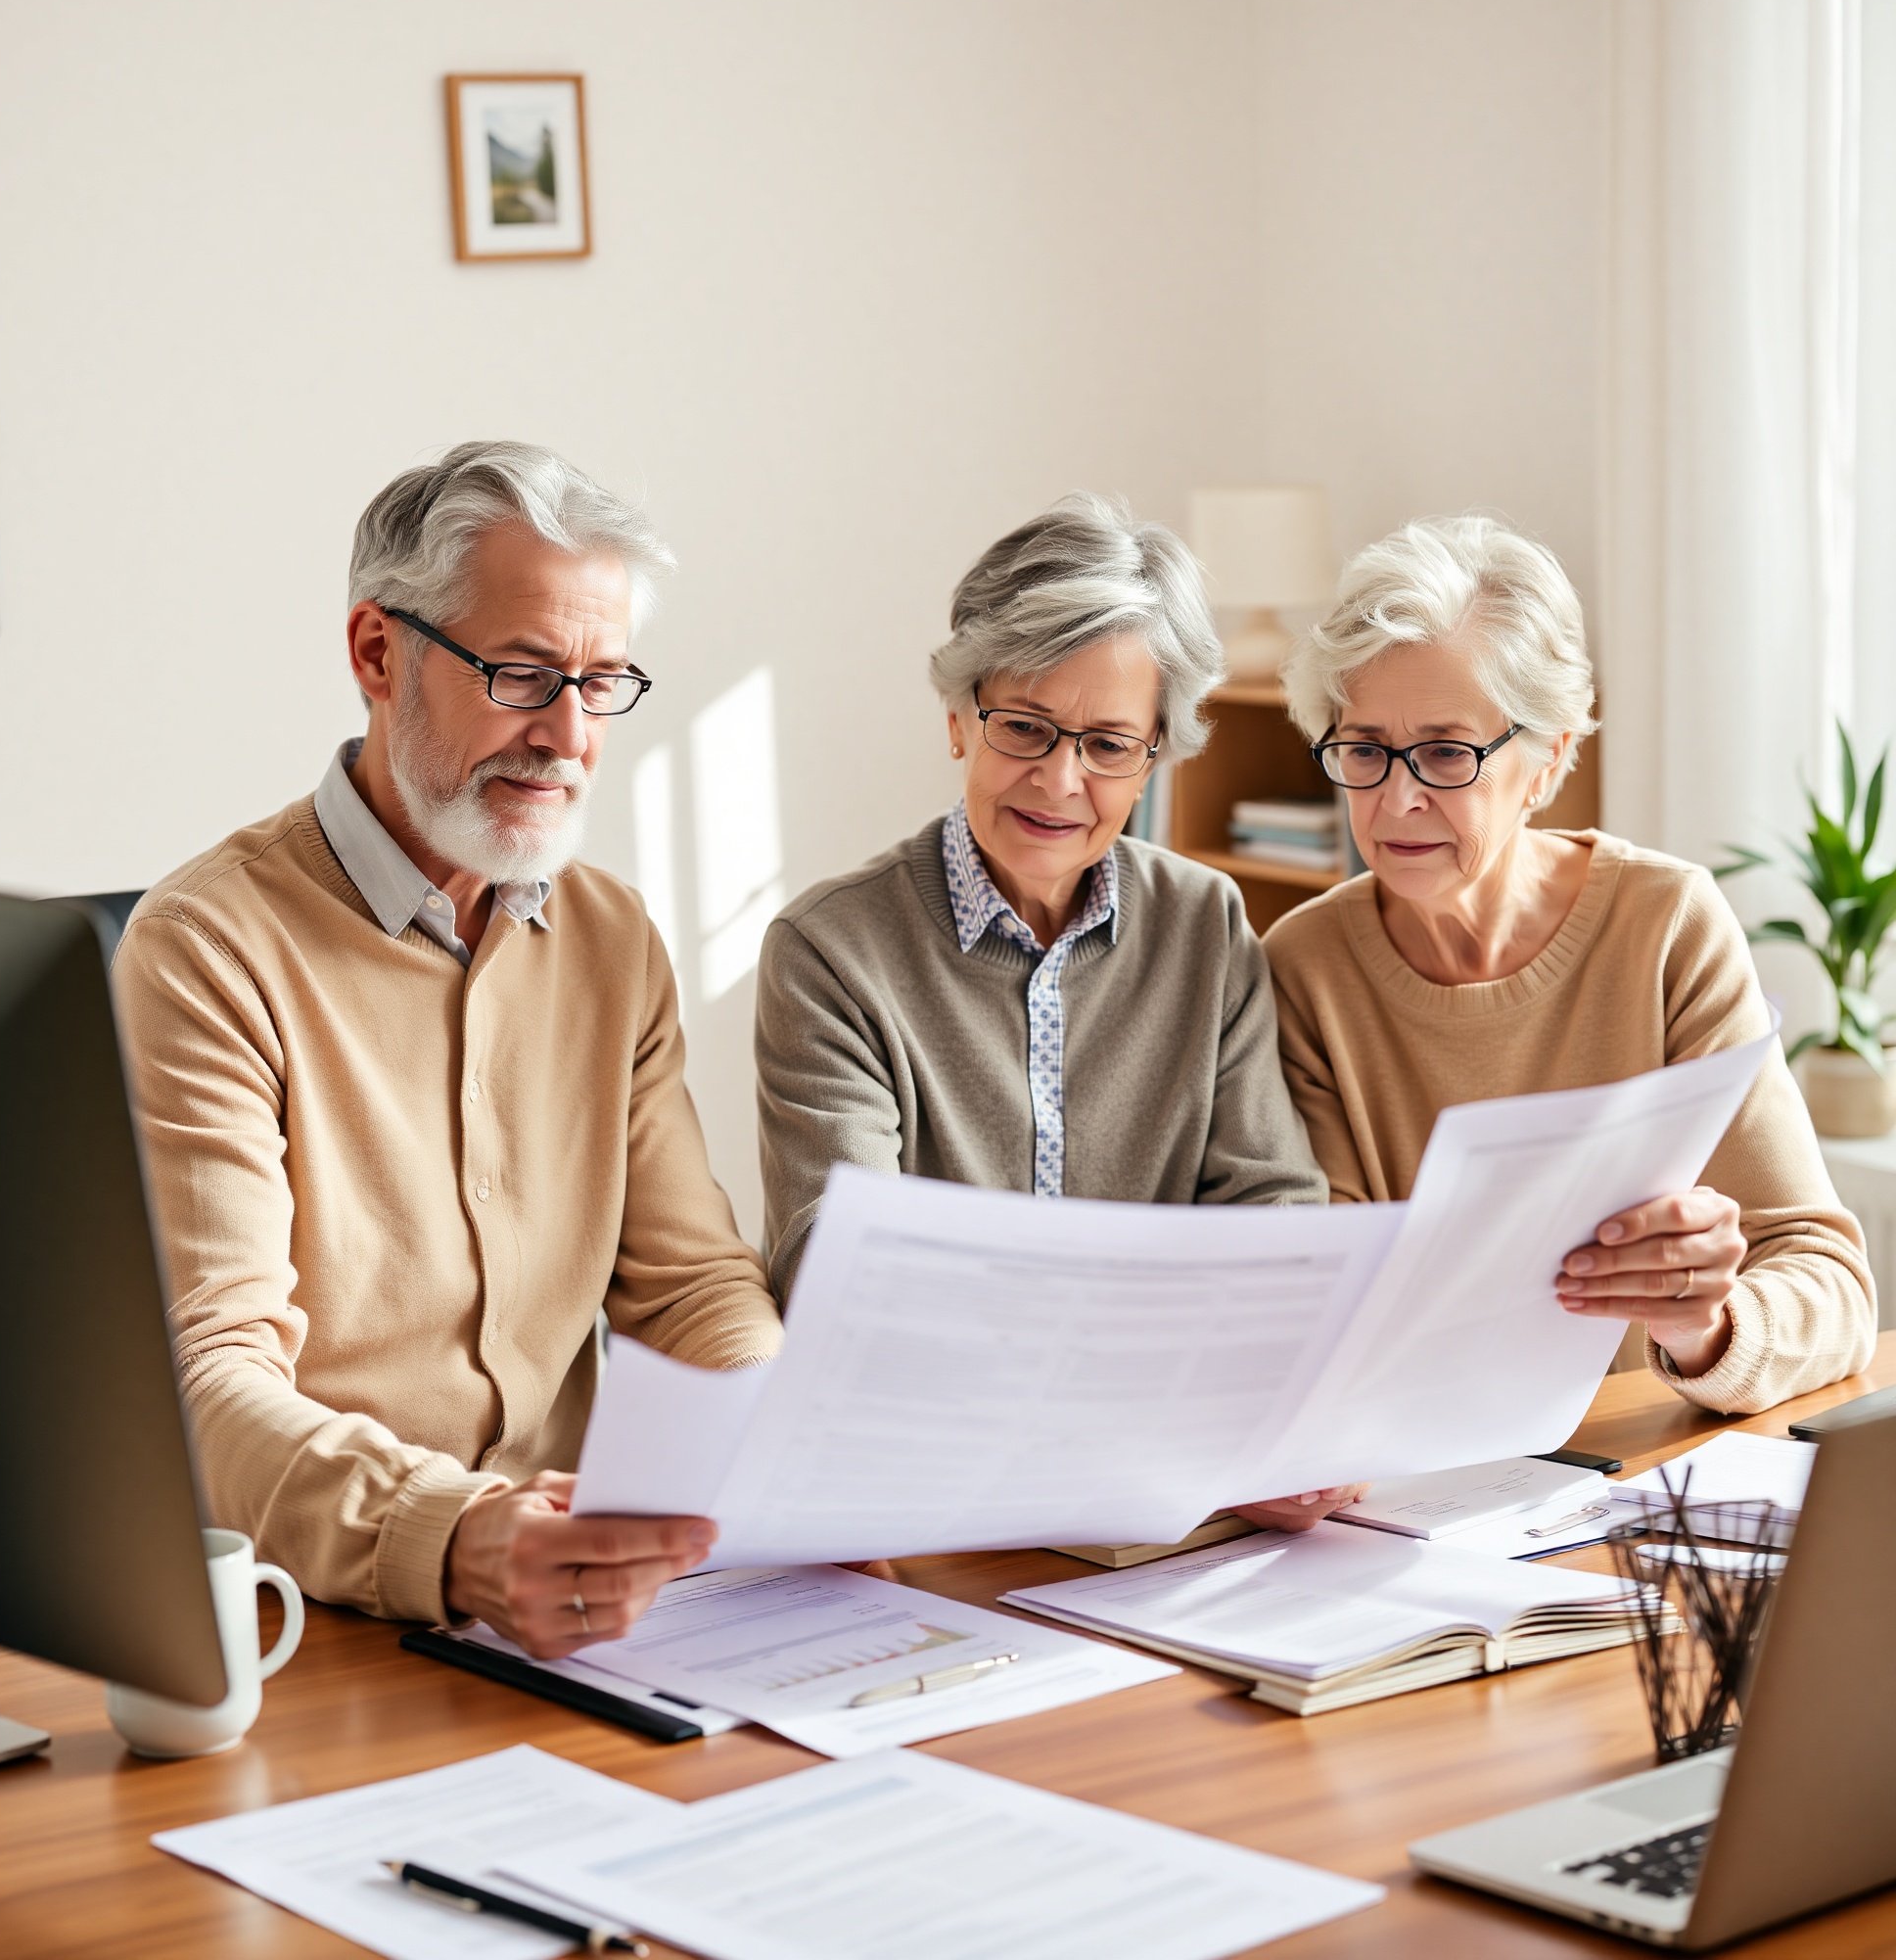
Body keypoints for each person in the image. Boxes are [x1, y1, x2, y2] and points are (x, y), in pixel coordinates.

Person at [112, 443, 782, 1657]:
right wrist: (453, 1530)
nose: (569, 736)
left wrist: (794, 1445)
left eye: (603, 680)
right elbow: (209, 1381)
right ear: (378, 653)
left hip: (587, 1605)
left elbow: (691, 1288)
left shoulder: (611, 937)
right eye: (523, 675)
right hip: (306, 1619)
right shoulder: (204, 945)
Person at [757, 492, 1351, 1533]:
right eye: (1024, 727)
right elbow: (840, 1265)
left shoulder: (1205, 923)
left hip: (1162, 1485)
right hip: (916, 1491)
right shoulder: (829, 951)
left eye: (1108, 743)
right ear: (957, 714)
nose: (1058, 780)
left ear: (1158, 753)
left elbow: (1271, 1213)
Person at [1265, 514, 1875, 1414]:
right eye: (1363, 750)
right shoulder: (1300, 968)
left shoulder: (1665, 925)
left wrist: (1705, 1323)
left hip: (1637, 1456)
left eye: (1444, 752)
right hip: (1408, 1476)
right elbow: (1328, 1305)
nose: (1396, 799)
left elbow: (1830, 1284)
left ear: (1547, 762)